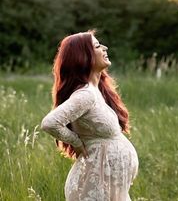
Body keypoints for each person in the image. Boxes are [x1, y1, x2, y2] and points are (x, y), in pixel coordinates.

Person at [41, 31, 139, 201]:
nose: (104, 48)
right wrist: (76, 142)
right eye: (97, 46)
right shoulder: (85, 95)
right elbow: (50, 123)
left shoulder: (97, 91)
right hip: (91, 188)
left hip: (107, 187)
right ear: (83, 56)